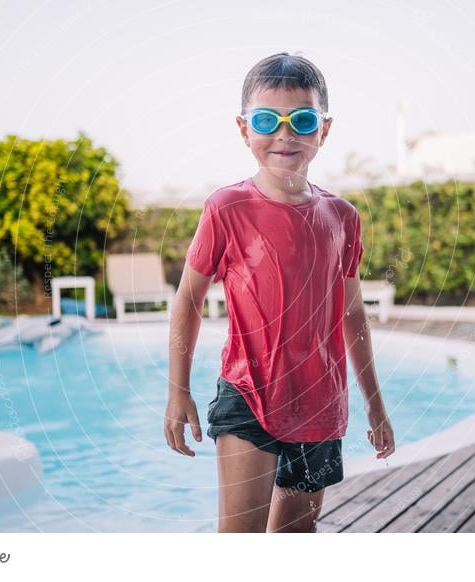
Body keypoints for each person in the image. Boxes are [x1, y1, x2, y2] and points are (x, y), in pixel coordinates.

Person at [164, 51, 395, 533]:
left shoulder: (343, 217)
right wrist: (177, 390)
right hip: (248, 394)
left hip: (321, 403)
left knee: (295, 538)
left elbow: (352, 315)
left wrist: (374, 401)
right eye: (267, 119)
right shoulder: (226, 208)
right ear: (244, 128)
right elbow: (188, 300)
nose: (285, 134)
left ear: (323, 131)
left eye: (303, 120)